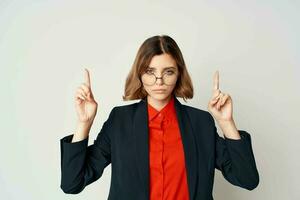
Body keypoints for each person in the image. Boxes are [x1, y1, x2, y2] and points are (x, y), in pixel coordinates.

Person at [59, 35, 259, 200]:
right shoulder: (120, 121)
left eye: (168, 72)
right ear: (140, 74)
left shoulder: (201, 123)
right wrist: (83, 124)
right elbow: (72, 184)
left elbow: (247, 179)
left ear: (179, 74)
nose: (159, 81)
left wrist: (227, 123)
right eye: (150, 71)